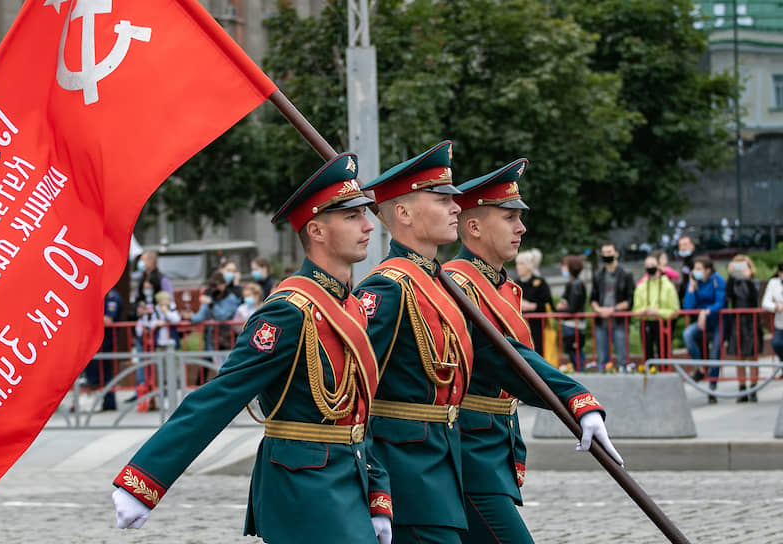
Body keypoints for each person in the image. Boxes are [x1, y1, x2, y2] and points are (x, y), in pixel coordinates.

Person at [111, 152, 394, 544]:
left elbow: (359, 414)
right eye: (352, 217)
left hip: (347, 483)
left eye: (364, 215)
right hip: (303, 488)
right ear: (316, 231)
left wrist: (378, 496)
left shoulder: (350, 307)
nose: (368, 226)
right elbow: (220, 396)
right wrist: (145, 481)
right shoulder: (288, 311)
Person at [355, 144, 619, 544]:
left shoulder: (439, 285)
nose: (455, 207)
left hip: (451, 459)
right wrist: (372, 484)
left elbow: (504, 357)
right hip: (420, 465)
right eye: (442, 199)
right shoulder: (394, 286)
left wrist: (577, 401)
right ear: (404, 213)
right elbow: (353, 384)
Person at [444, 157, 621, 543]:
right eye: (508, 218)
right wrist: (576, 397)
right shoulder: (458, 287)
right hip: (467, 451)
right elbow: (504, 356)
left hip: (492, 447)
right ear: (472, 226)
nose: (521, 227)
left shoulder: (499, 286)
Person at [682, 255, 726, 404]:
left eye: (699, 269)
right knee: (687, 334)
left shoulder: (717, 280)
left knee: (715, 353)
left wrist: (706, 312)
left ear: (708, 270)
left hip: (717, 321)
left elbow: (721, 302)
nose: (696, 271)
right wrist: (691, 286)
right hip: (702, 322)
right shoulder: (697, 283)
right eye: (695, 269)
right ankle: (700, 367)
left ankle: (712, 387)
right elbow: (688, 306)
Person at [590, 242, 634, 371]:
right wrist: (598, 309)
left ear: (616, 253)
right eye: (604, 253)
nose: (606, 255)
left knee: (622, 358)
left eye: (609, 252)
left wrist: (612, 310)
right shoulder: (598, 274)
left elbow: (630, 300)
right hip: (601, 321)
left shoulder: (626, 274)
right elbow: (593, 298)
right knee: (602, 359)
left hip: (619, 321)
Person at [725, 255, 762, 402]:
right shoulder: (734, 282)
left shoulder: (754, 281)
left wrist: (748, 279)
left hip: (751, 321)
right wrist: (731, 276)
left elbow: (754, 298)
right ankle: (742, 388)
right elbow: (728, 296)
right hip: (737, 321)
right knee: (739, 356)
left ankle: (753, 388)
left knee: (752, 356)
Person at [632, 253, 680, 365]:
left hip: (663, 323)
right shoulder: (641, 286)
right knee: (648, 352)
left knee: (664, 352)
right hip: (646, 322)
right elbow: (635, 309)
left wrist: (657, 312)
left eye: (652, 264)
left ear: (658, 266)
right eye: (647, 265)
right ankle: (651, 375)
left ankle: (665, 374)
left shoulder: (668, 286)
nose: (650, 268)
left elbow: (675, 310)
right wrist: (644, 311)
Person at [85, 288, 123, 411]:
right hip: (94, 341)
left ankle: (109, 402)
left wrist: (90, 320)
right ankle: (104, 401)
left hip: (106, 341)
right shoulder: (94, 295)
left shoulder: (112, 297)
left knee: (106, 372)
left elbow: (108, 320)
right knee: (95, 372)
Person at [513, 248, 553, 353]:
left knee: (538, 350)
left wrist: (532, 306)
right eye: (517, 264)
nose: (518, 267)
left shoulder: (540, 283)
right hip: (520, 326)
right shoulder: (514, 283)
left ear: (528, 266)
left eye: (521, 264)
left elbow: (548, 304)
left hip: (537, 327)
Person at [556, 255, 588, 371]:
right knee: (574, 352)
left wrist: (559, 310)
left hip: (573, 325)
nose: (562, 268)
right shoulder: (573, 283)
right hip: (571, 325)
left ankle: (582, 373)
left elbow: (573, 307)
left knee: (576, 352)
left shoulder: (576, 284)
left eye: (564, 266)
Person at [760, 262, 783, 371]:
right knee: (777, 343)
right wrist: (776, 306)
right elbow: (765, 302)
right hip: (780, 323)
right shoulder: (774, 283)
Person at [676, 235, 697, 303]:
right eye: (680, 245)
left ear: (692, 246)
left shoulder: (696, 261)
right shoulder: (685, 260)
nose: (682, 248)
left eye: (685, 245)